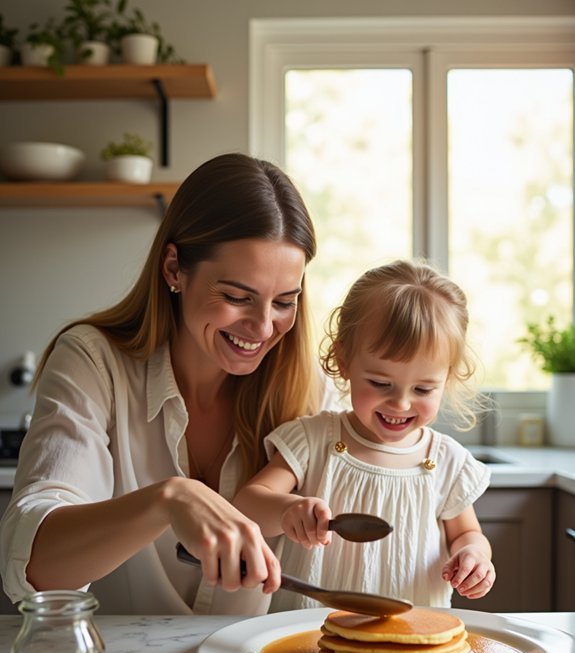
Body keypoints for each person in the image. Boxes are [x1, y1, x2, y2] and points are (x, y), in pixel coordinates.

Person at [0, 152, 331, 615]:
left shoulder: (314, 392)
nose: (262, 327)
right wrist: (167, 499)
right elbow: (34, 568)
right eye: (237, 297)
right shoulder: (93, 362)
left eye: (284, 302)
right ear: (174, 268)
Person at [233, 259, 495, 610]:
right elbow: (247, 504)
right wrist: (287, 510)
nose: (400, 403)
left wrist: (474, 555)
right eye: (380, 383)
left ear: (447, 379)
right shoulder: (315, 439)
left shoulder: (446, 461)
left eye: (423, 389)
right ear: (343, 360)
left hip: (411, 638)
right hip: (308, 632)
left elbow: (466, 533)